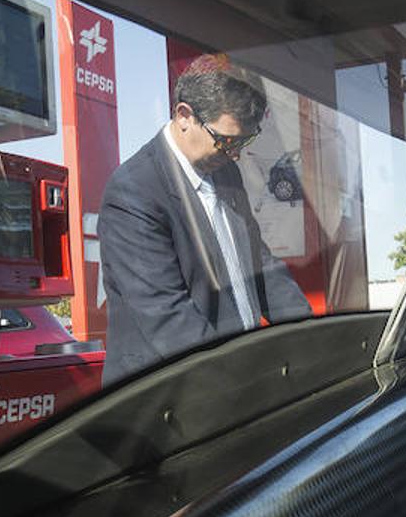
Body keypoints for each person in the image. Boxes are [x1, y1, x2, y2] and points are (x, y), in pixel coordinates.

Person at [98, 54, 312, 385]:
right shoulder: (134, 192)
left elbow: (261, 267)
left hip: (237, 378)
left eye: (246, 141)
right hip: (172, 395)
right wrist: (243, 379)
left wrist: (309, 338)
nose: (236, 154)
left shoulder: (226, 172)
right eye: (227, 141)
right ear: (185, 116)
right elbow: (166, 315)